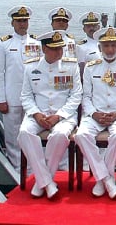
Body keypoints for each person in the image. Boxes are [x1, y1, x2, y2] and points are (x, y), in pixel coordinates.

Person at [17, 30, 82, 199]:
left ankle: (41, 181)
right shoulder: (31, 67)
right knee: (24, 133)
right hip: (38, 114)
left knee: (60, 135)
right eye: (54, 49)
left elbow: (76, 95)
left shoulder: (71, 66)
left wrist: (59, 116)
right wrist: (36, 114)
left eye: (61, 48)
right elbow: (26, 95)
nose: (59, 52)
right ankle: (47, 182)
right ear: (44, 49)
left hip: (63, 116)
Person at [76, 27, 116, 199]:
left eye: (113, 45)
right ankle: (106, 178)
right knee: (81, 135)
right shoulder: (90, 68)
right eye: (106, 45)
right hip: (95, 114)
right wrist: (94, 114)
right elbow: (85, 97)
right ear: (100, 47)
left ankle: (101, 179)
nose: (110, 49)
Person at [0, 5, 42, 168]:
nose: (22, 24)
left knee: (32, 134)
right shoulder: (4, 44)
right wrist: (0, 99)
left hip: (33, 98)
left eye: (25, 21)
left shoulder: (36, 42)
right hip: (12, 97)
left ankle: (33, 167)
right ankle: (16, 167)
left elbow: (41, 72)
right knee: (13, 136)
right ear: (12, 23)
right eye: (19, 21)